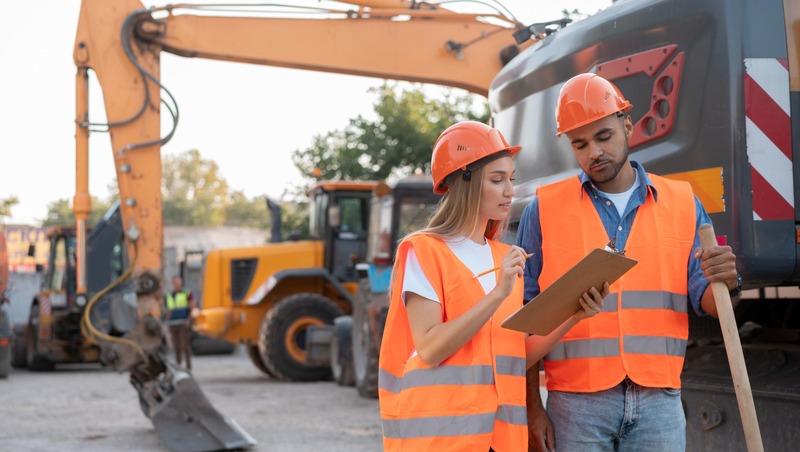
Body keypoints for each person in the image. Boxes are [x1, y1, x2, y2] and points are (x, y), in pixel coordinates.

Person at [517, 73, 741, 451]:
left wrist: (727, 280)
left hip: (660, 399)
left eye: (603, 137)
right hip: (576, 404)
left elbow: (711, 301)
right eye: (580, 143)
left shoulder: (683, 203)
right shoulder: (543, 210)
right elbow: (522, 317)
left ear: (628, 125)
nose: (594, 153)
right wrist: (532, 408)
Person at [378, 121, 609, 451]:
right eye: (497, 180)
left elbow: (516, 355)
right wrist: (498, 292)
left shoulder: (505, 257)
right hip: (443, 438)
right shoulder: (424, 250)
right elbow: (430, 347)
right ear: (465, 182)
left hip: (500, 439)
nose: (510, 191)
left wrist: (574, 315)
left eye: (511, 179)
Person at [165, 275, 196, 370]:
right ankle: (178, 366)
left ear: (181, 283)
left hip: (183, 323)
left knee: (185, 346)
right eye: (174, 283)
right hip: (173, 324)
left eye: (178, 282)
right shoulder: (169, 295)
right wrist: (166, 323)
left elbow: (192, 307)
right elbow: (169, 310)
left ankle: (188, 366)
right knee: (176, 347)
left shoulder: (186, 293)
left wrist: (189, 320)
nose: (176, 284)